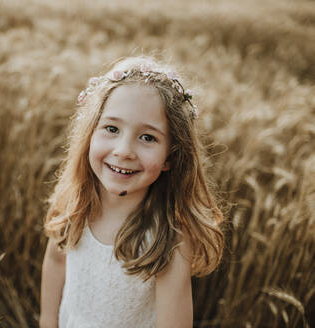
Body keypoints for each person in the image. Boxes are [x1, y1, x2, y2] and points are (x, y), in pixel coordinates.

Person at [39, 56, 224, 328]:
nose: (124, 150)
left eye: (147, 137)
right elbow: (56, 263)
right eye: (111, 129)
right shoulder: (75, 208)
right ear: (90, 134)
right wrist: (47, 321)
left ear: (170, 156)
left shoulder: (168, 240)